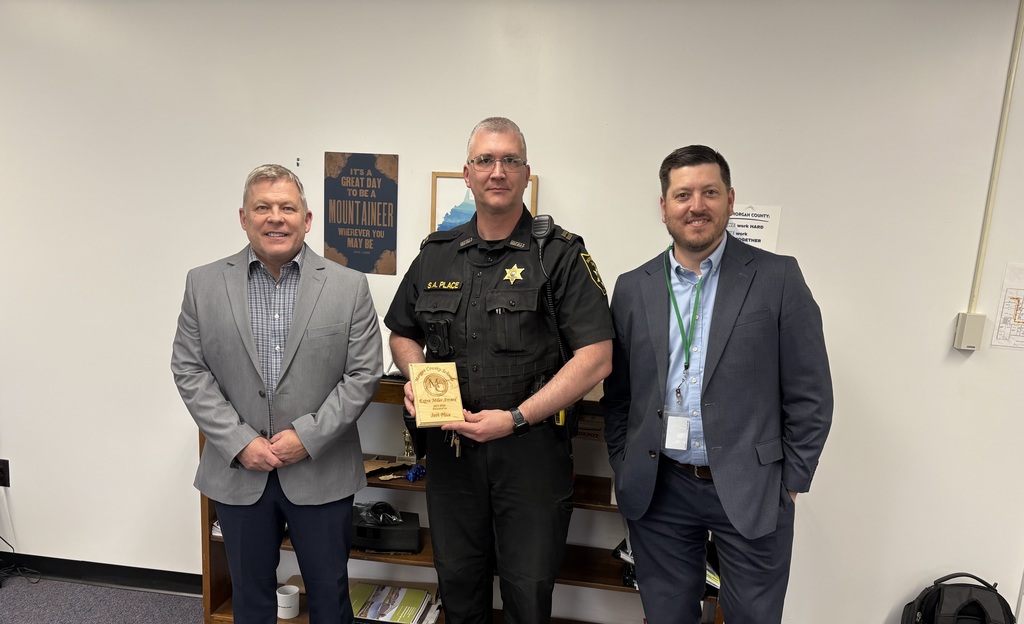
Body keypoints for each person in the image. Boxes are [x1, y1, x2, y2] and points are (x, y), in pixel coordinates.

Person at [384, 117, 613, 624]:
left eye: (510, 160)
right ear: (468, 173)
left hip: (530, 454)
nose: (497, 171)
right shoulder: (437, 254)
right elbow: (402, 331)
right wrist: (417, 378)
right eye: (486, 160)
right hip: (452, 453)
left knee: (527, 595)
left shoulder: (560, 254)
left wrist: (514, 418)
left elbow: (597, 356)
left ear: (525, 173)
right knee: (459, 586)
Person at [602, 145, 833, 624]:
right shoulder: (632, 287)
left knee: (754, 617)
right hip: (660, 485)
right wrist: (625, 464)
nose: (696, 205)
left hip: (752, 485)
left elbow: (811, 393)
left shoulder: (777, 277)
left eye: (709, 192)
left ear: (730, 199)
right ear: (664, 207)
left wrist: (790, 482)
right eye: (682, 194)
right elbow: (620, 394)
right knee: (667, 617)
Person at [171, 164, 382, 624]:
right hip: (238, 471)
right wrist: (239, 440)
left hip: (321, 469)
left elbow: (363, 374)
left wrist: (306, 436)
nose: (275, 217)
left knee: (329, 595)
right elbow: (189, 368)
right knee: (250, 598)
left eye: (288, 207)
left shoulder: (349, 286)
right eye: (262, 207)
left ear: (307, 220)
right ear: (243, 217)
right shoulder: (203, 284)